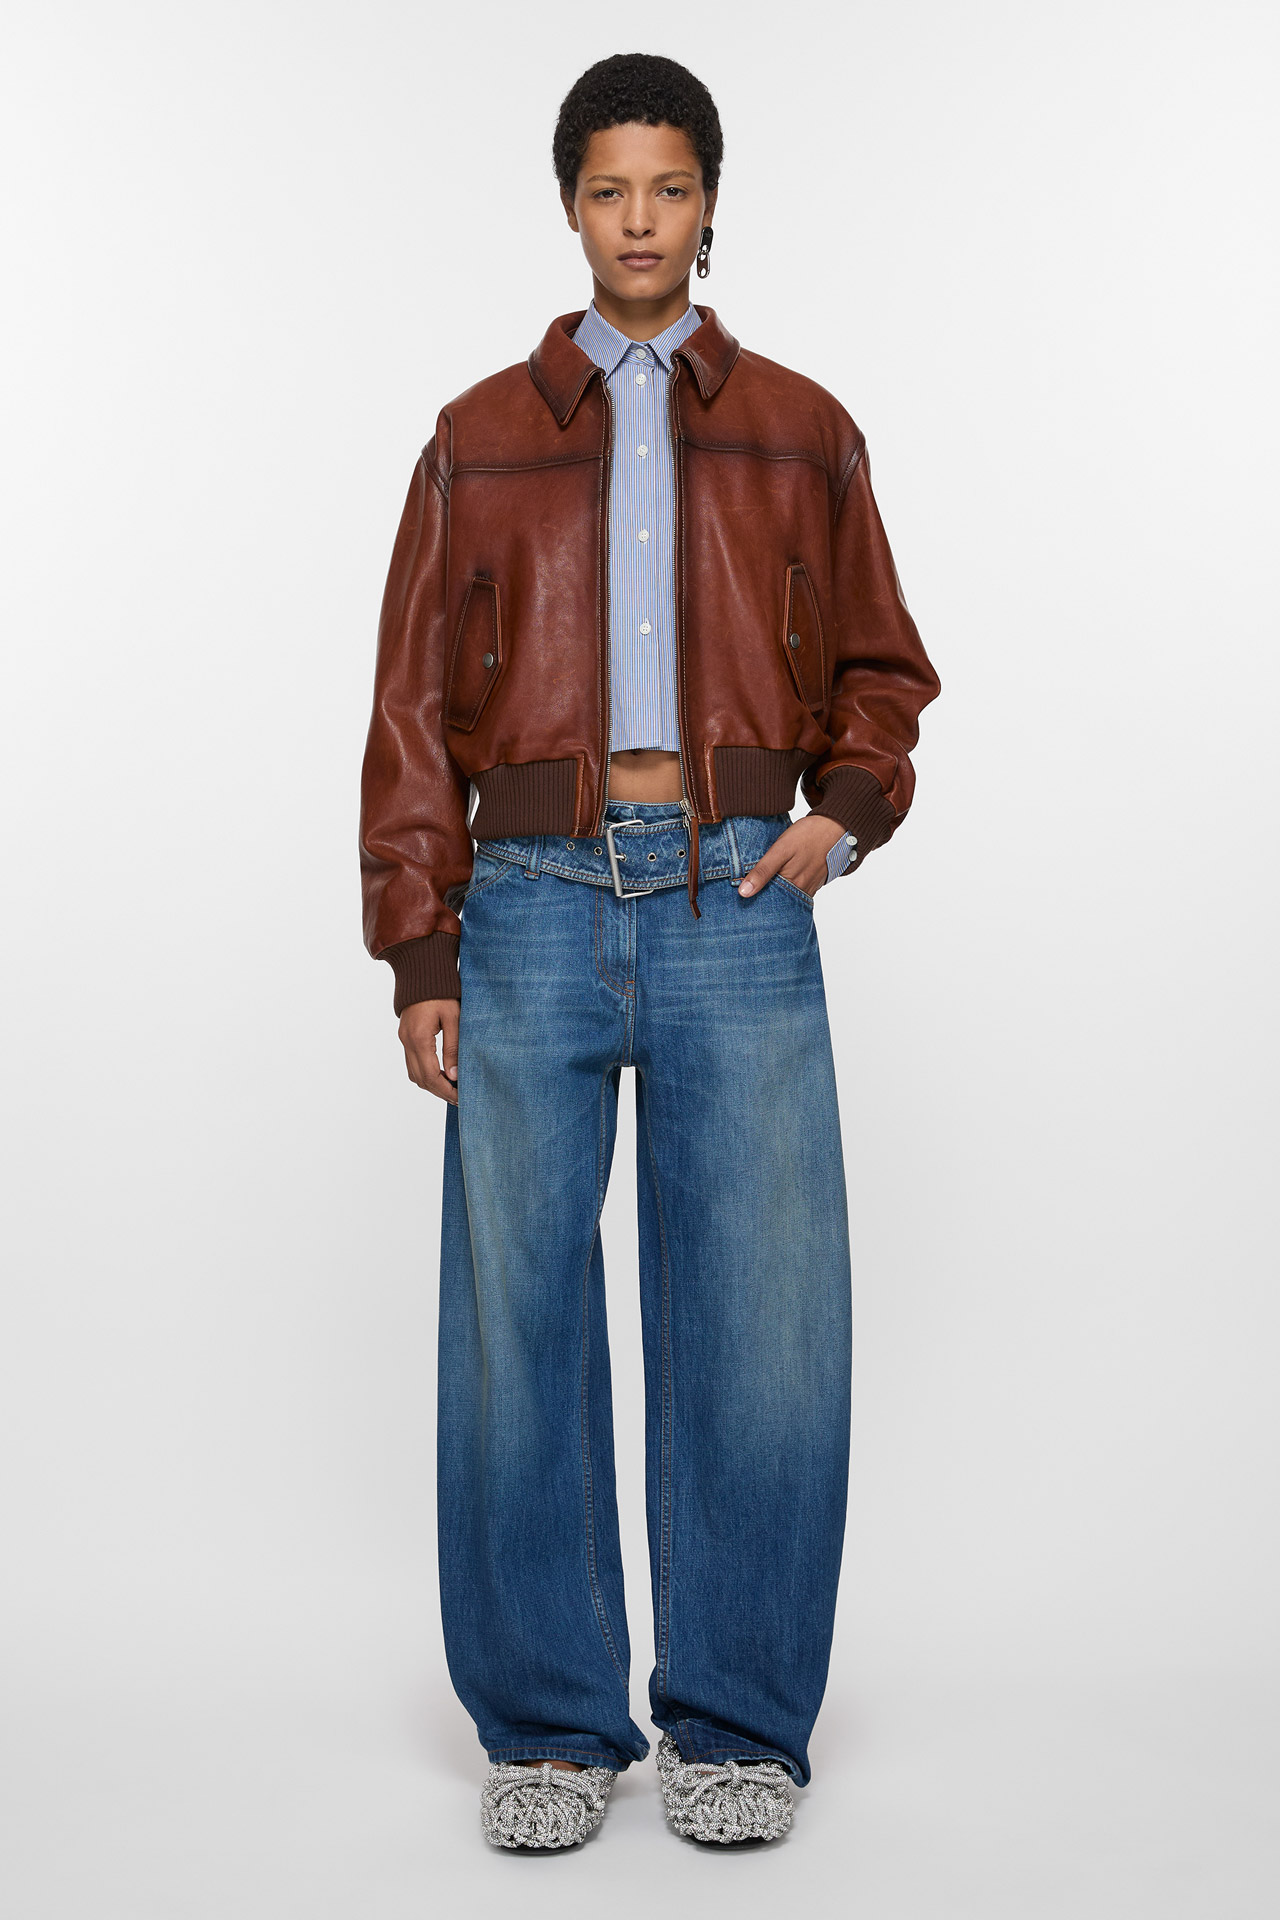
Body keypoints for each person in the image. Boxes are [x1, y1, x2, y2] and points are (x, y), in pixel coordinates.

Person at [360, 51, 940, 1850]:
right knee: (518, 1322)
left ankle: (738, 1720)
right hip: (528, 902)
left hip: (733, 902)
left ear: (708, 204)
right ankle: (548, 1728)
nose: (638, 219)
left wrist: (843, 808)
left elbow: (883, 666)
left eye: (668, 188)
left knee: (763, 1317)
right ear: (568, 206)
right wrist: (420, 946)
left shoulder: (801, 427)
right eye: (608, 188)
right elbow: (406, 710)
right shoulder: (476, 436)